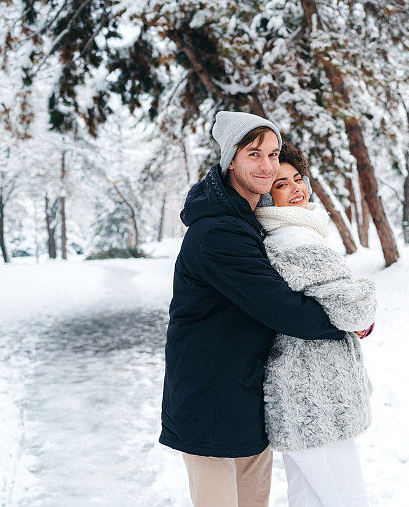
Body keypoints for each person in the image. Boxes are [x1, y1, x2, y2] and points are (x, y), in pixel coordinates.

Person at [159, 111, 348, 507]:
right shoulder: (218, 232)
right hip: (208, 399)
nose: (267, 165)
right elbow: (278, 305)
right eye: (254, 154)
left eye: (274, 154)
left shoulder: (251, 221)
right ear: (231, 159)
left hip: (245, 395)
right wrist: (347, 323)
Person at [254, 142, 376, 506]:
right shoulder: (294, 238)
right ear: (264, 197)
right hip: (318, 402)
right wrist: (366, 297)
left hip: (299, 400)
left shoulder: (280, 236)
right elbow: (354, 310)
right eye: (280, 184)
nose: (295, 189)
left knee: (307, 500)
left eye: (297, 179)